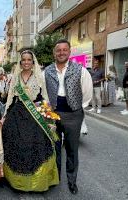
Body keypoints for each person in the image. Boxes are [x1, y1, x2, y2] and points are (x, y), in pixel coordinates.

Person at [2, 50, 59, 192]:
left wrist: (49, 115)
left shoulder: (39, 77)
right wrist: (4, 115)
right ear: (20, 62)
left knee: (37, 145)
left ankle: (37, 181)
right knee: (16, 144)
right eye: (24, 60)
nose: (26, 62)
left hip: (35, 115)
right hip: (17, 114)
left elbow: (44, 97)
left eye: (29, 60)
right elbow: (10, 97)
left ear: (33, 63)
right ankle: (18, 181)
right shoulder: (15, 78)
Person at [44, 39, 93, 194]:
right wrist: (47, 111)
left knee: (72, 149)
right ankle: (55, 178)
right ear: (54, 53)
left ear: (69, 52)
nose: (61, 53)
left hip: (73, 114)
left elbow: (87, 92)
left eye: (65, 50)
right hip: (53, 114)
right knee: (54, 148)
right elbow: (43, 91)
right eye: (58, 50)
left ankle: (72, 181)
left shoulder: (81, 70)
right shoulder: (47, 71)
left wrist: (78, 108)